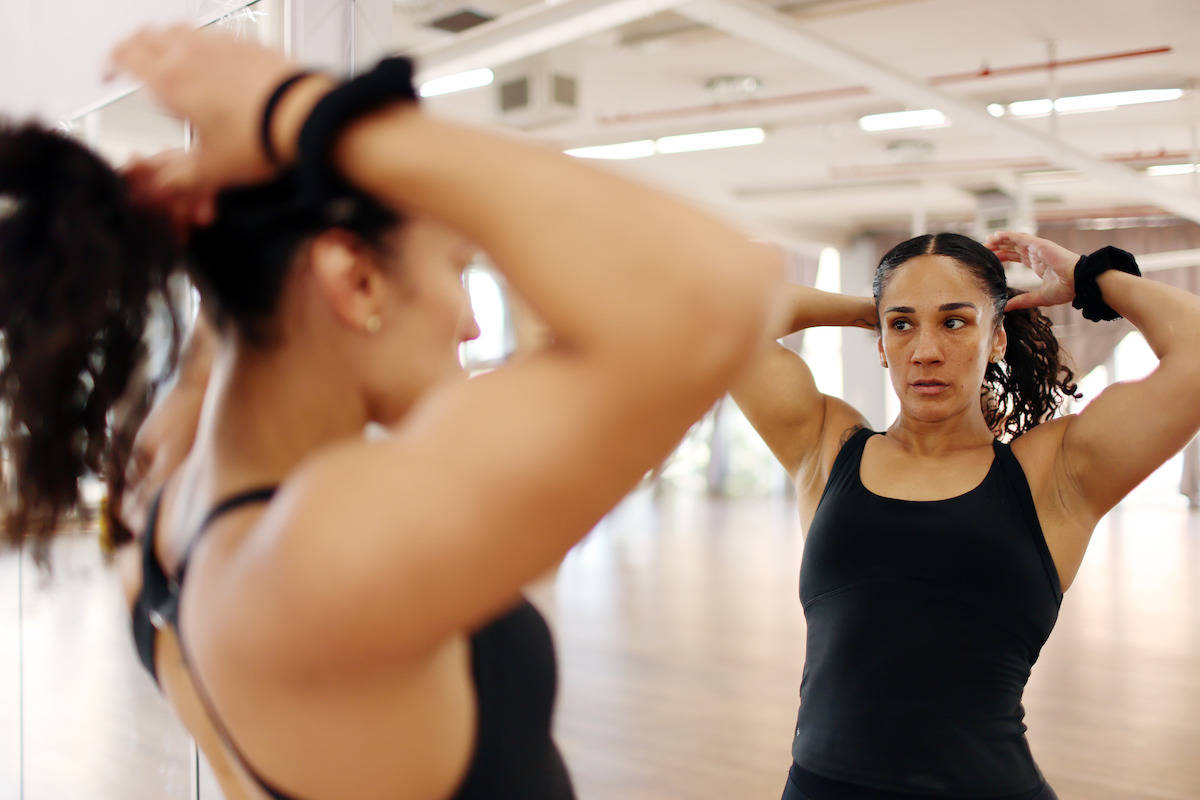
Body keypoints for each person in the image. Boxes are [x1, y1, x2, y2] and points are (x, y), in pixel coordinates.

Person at [0, 26, 778, 800]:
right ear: (358, 282)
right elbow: (717, 297)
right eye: (457, 268)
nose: (472, 324)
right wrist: (298, 111)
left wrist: (230, 210)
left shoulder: (168, 499)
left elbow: (230, 333)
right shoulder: (317, 558)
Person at [730, 231, 1200, 800]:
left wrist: (1092, 275)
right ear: (881, 343)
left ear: (997, 337)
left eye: (955, 322)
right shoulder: (825, 447)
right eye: (903, 326)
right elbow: (718, 313)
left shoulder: (1055, 474)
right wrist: (871, 311)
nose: (925, 350)